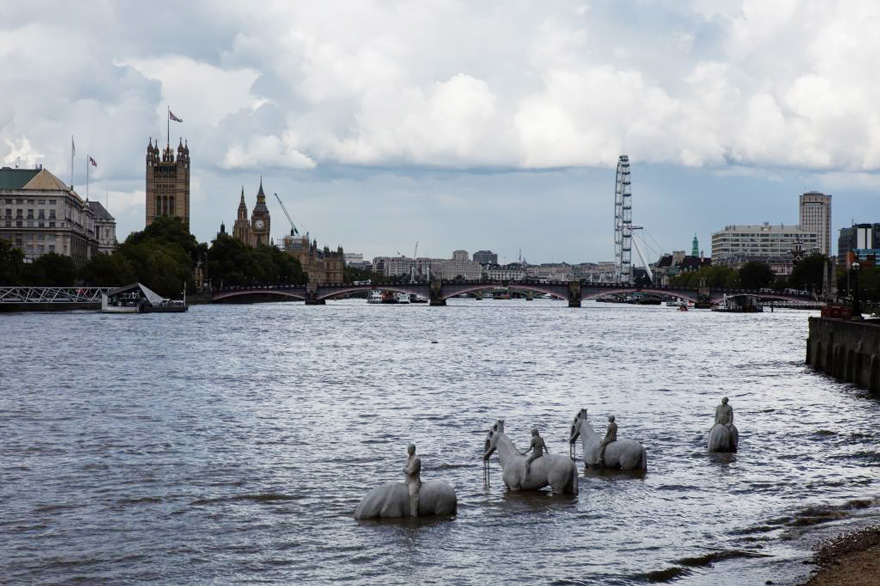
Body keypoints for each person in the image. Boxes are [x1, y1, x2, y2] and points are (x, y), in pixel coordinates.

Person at [404, 443, 421, 517]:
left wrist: (405, 469)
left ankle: (414, 513)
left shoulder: (416, 460)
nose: (408, 450)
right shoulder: (407, 458)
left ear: (413, 450)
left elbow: (411, 472)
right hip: (407, 481)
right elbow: (406, 468)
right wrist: (406, 469)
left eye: (409, 449)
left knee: (412, 494)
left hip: (414, 481)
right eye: (407, 449)